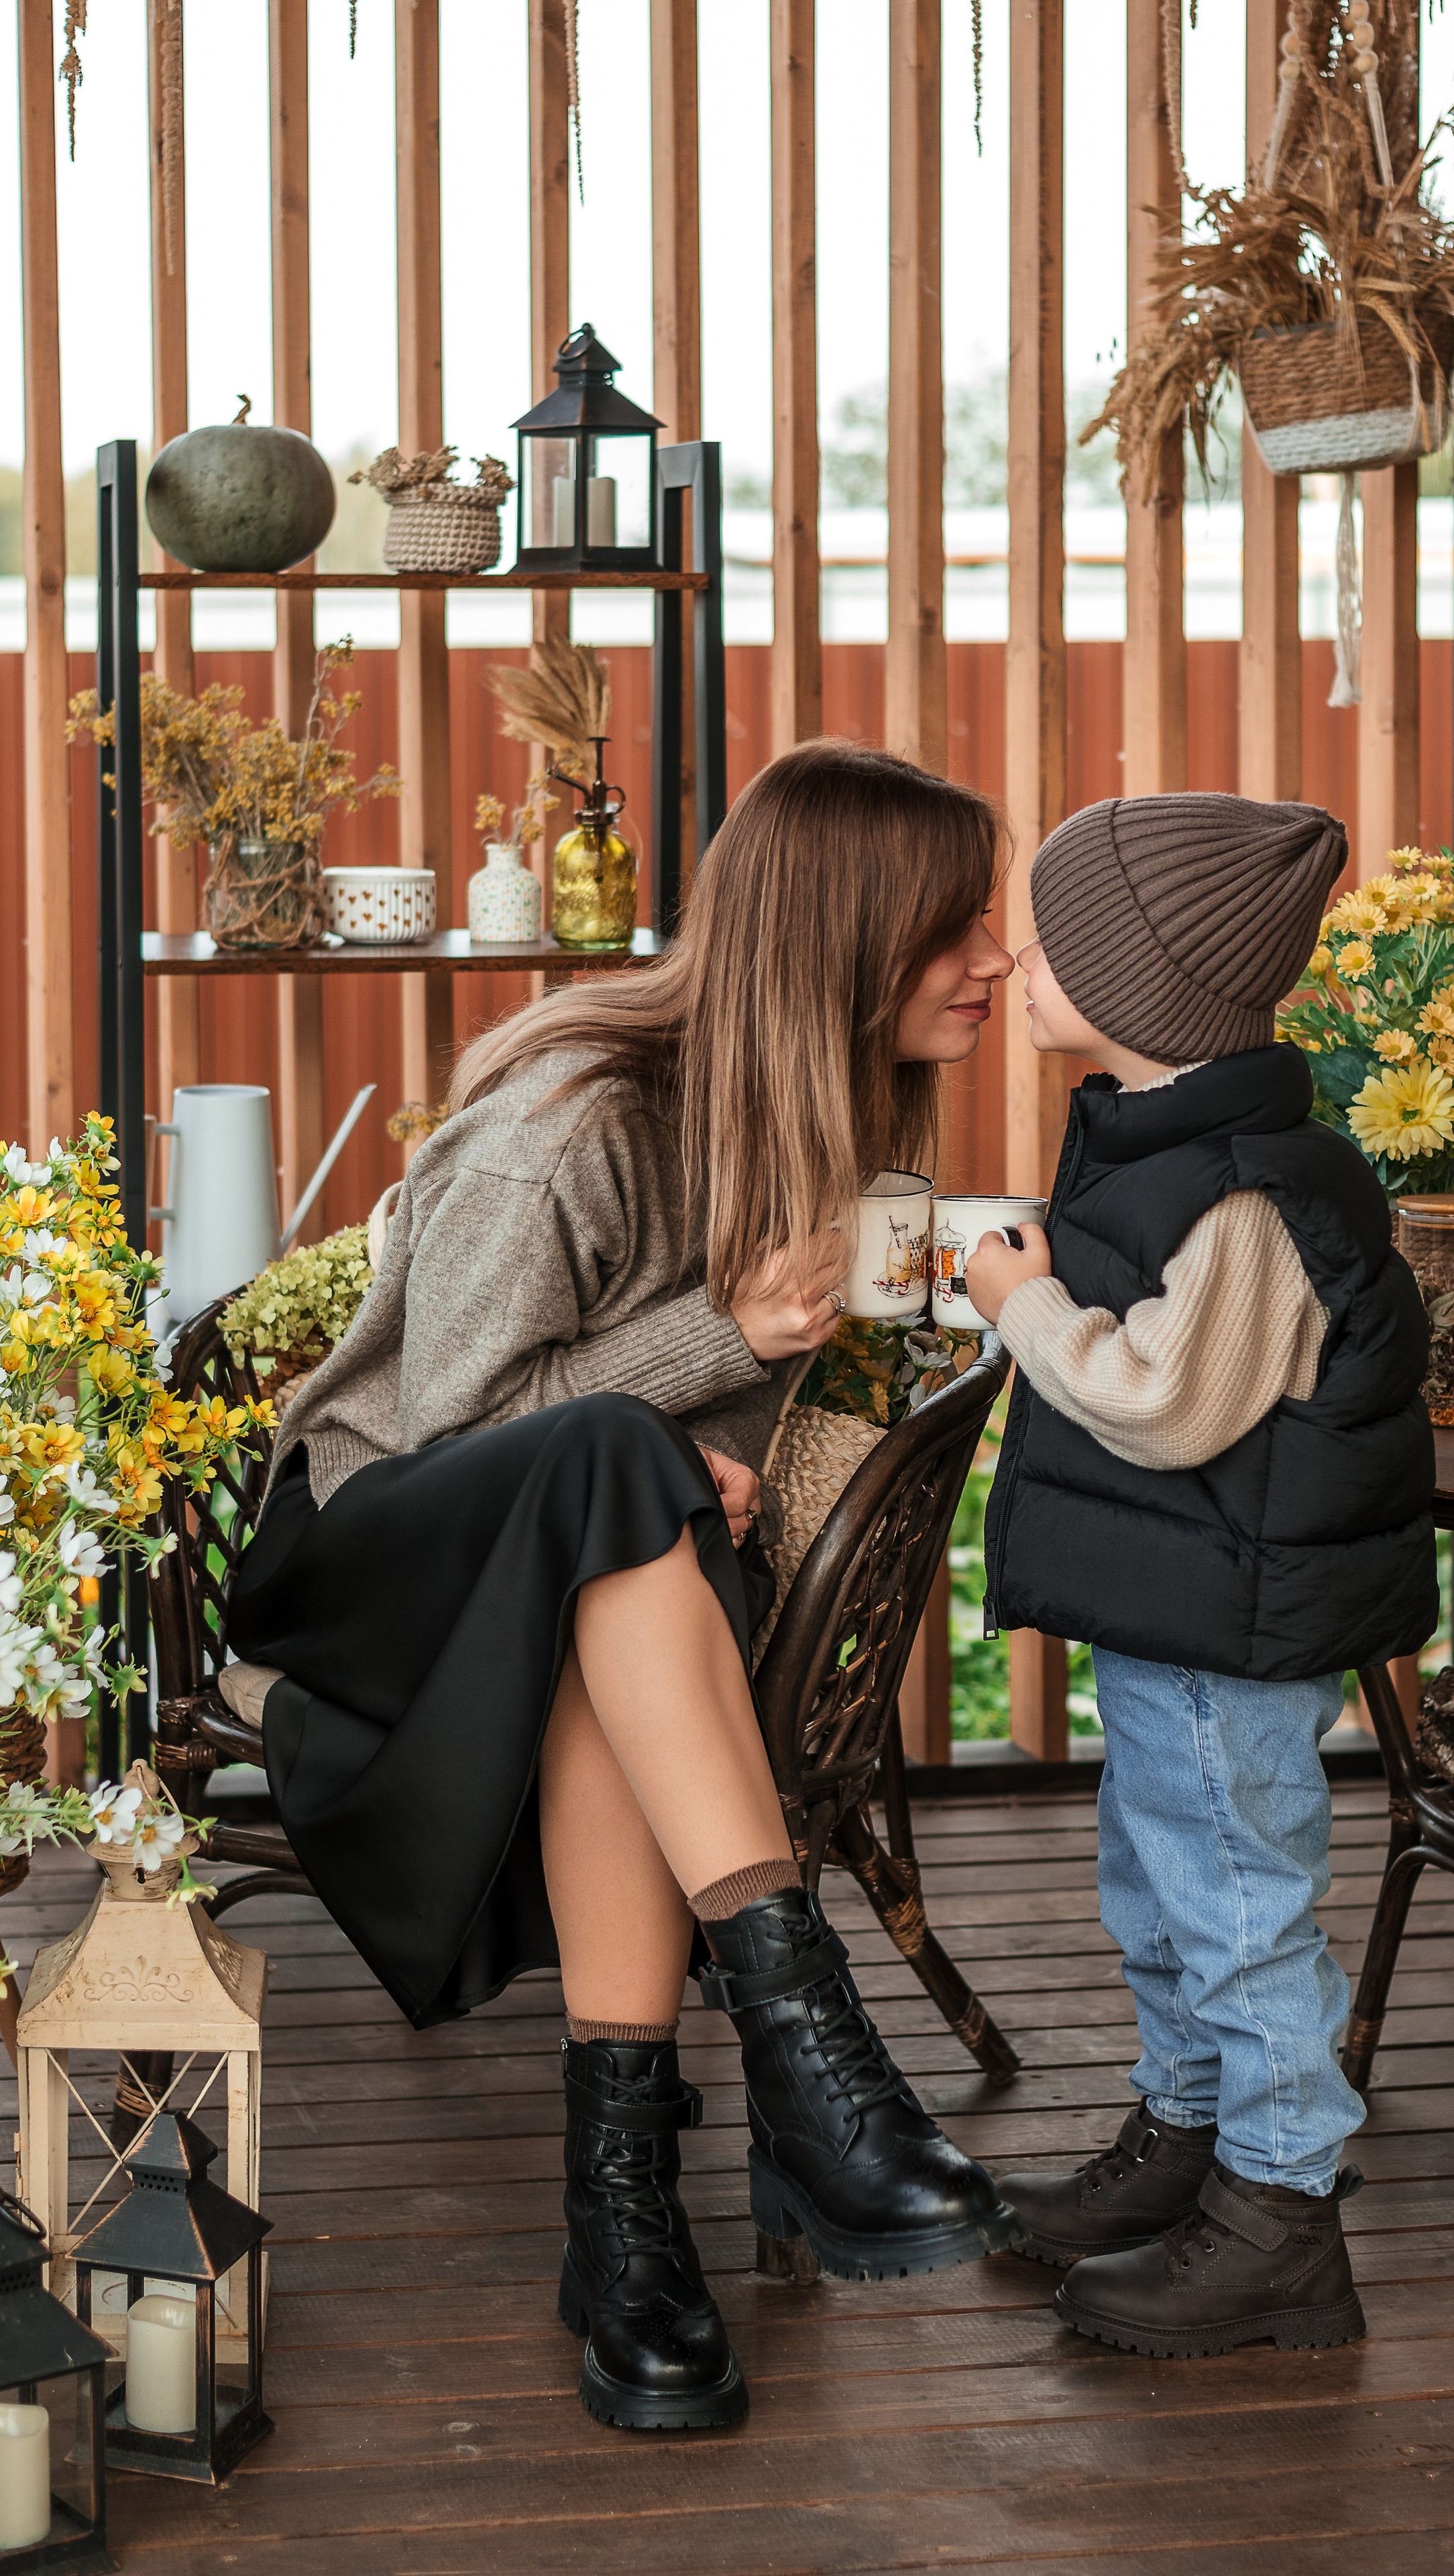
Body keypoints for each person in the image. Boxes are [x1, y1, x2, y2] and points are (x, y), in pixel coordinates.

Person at [227, 738, 1023, 2433]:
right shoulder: (575, 1124)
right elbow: (451, 1428)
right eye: (958, 926)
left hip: (590, 1562)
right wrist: (717, 1346)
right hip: (367, 1560)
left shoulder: (829, 1122)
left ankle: (625, 2230)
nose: (996, 958)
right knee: (609, 1474)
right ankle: (818, 2061)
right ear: (842, 940)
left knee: (623, 1544)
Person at [965, 791, 1436, 2361]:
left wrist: (1024, 1307)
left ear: (1143, 987)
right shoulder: (1169, 1142)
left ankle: (1279, 2214)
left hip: (1231, 1636)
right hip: (1184, 1617)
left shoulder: (1242, 1189)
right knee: (1161, 1891)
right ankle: (1187, 2136)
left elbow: (1165, 1402)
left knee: (1236, 1906)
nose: (1015, 958)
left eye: (1051, 939)